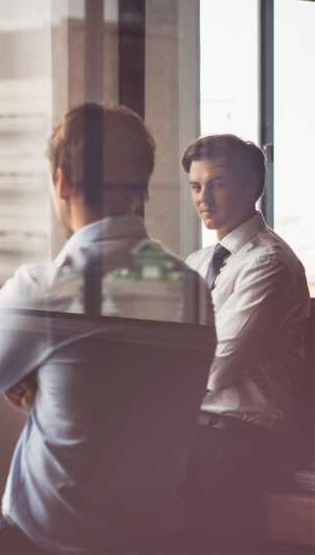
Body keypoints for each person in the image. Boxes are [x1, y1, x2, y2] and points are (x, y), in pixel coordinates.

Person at [0, 103, 217, 553]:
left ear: (61, 181)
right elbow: (129, 396)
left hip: (48, 544)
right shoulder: (193, 290)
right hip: (158, 539)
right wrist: (58, 395)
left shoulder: (46, 291)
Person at [178, 134, 309, 551]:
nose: (204, 198)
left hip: (239, 442)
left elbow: (217, 368)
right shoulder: (197, 263)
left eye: (217, 183)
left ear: (252, 185)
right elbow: (158, 345)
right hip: (192, 434)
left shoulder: (268, 263)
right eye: (196, 186)